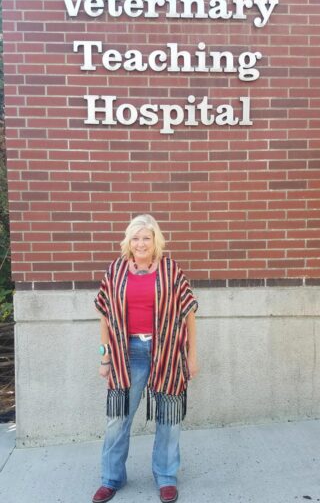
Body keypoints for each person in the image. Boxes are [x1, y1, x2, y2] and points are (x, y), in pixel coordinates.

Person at [92, 214, 199, 503]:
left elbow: (189, 313)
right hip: (128, 353)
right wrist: (105, 358)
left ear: (156, 241)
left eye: (146, 238)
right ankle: (111, 477)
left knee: (169, 417)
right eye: (135, 238)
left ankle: (166, 476)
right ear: (128, 241)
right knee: (118, 418)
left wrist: (191, 356)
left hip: (167, 352)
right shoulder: (115, 271)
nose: (141, 243)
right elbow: (104, 317)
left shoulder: (170, 270)